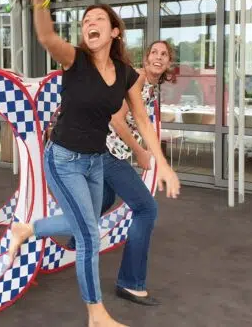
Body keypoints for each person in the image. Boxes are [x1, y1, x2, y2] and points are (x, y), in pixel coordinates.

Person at [7, 0, 180, 327]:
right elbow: (46, 37)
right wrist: (40, 0)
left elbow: (142, 121)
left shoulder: (126, 74)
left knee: (84, 222)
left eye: (99, 18)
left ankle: (27, 229)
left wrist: (162, 163)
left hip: (95, 162)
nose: (90, 23)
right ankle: (96, 314)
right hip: (63, 158)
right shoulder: (75, 59)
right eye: (86, 20)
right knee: (88, 234)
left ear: (114, 31)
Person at [64, 41, 175, 307]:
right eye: (154, 53)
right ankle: (130, 283)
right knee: (146, 209)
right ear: (146, 58)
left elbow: (140, 122)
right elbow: (116, 119)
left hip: (107, 151)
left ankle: (71, 244)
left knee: (102, 200)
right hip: (107, 152)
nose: (158, 57)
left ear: (168, 63)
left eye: (164, 54)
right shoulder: (137, 80)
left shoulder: (150, 87)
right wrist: (140, 151)